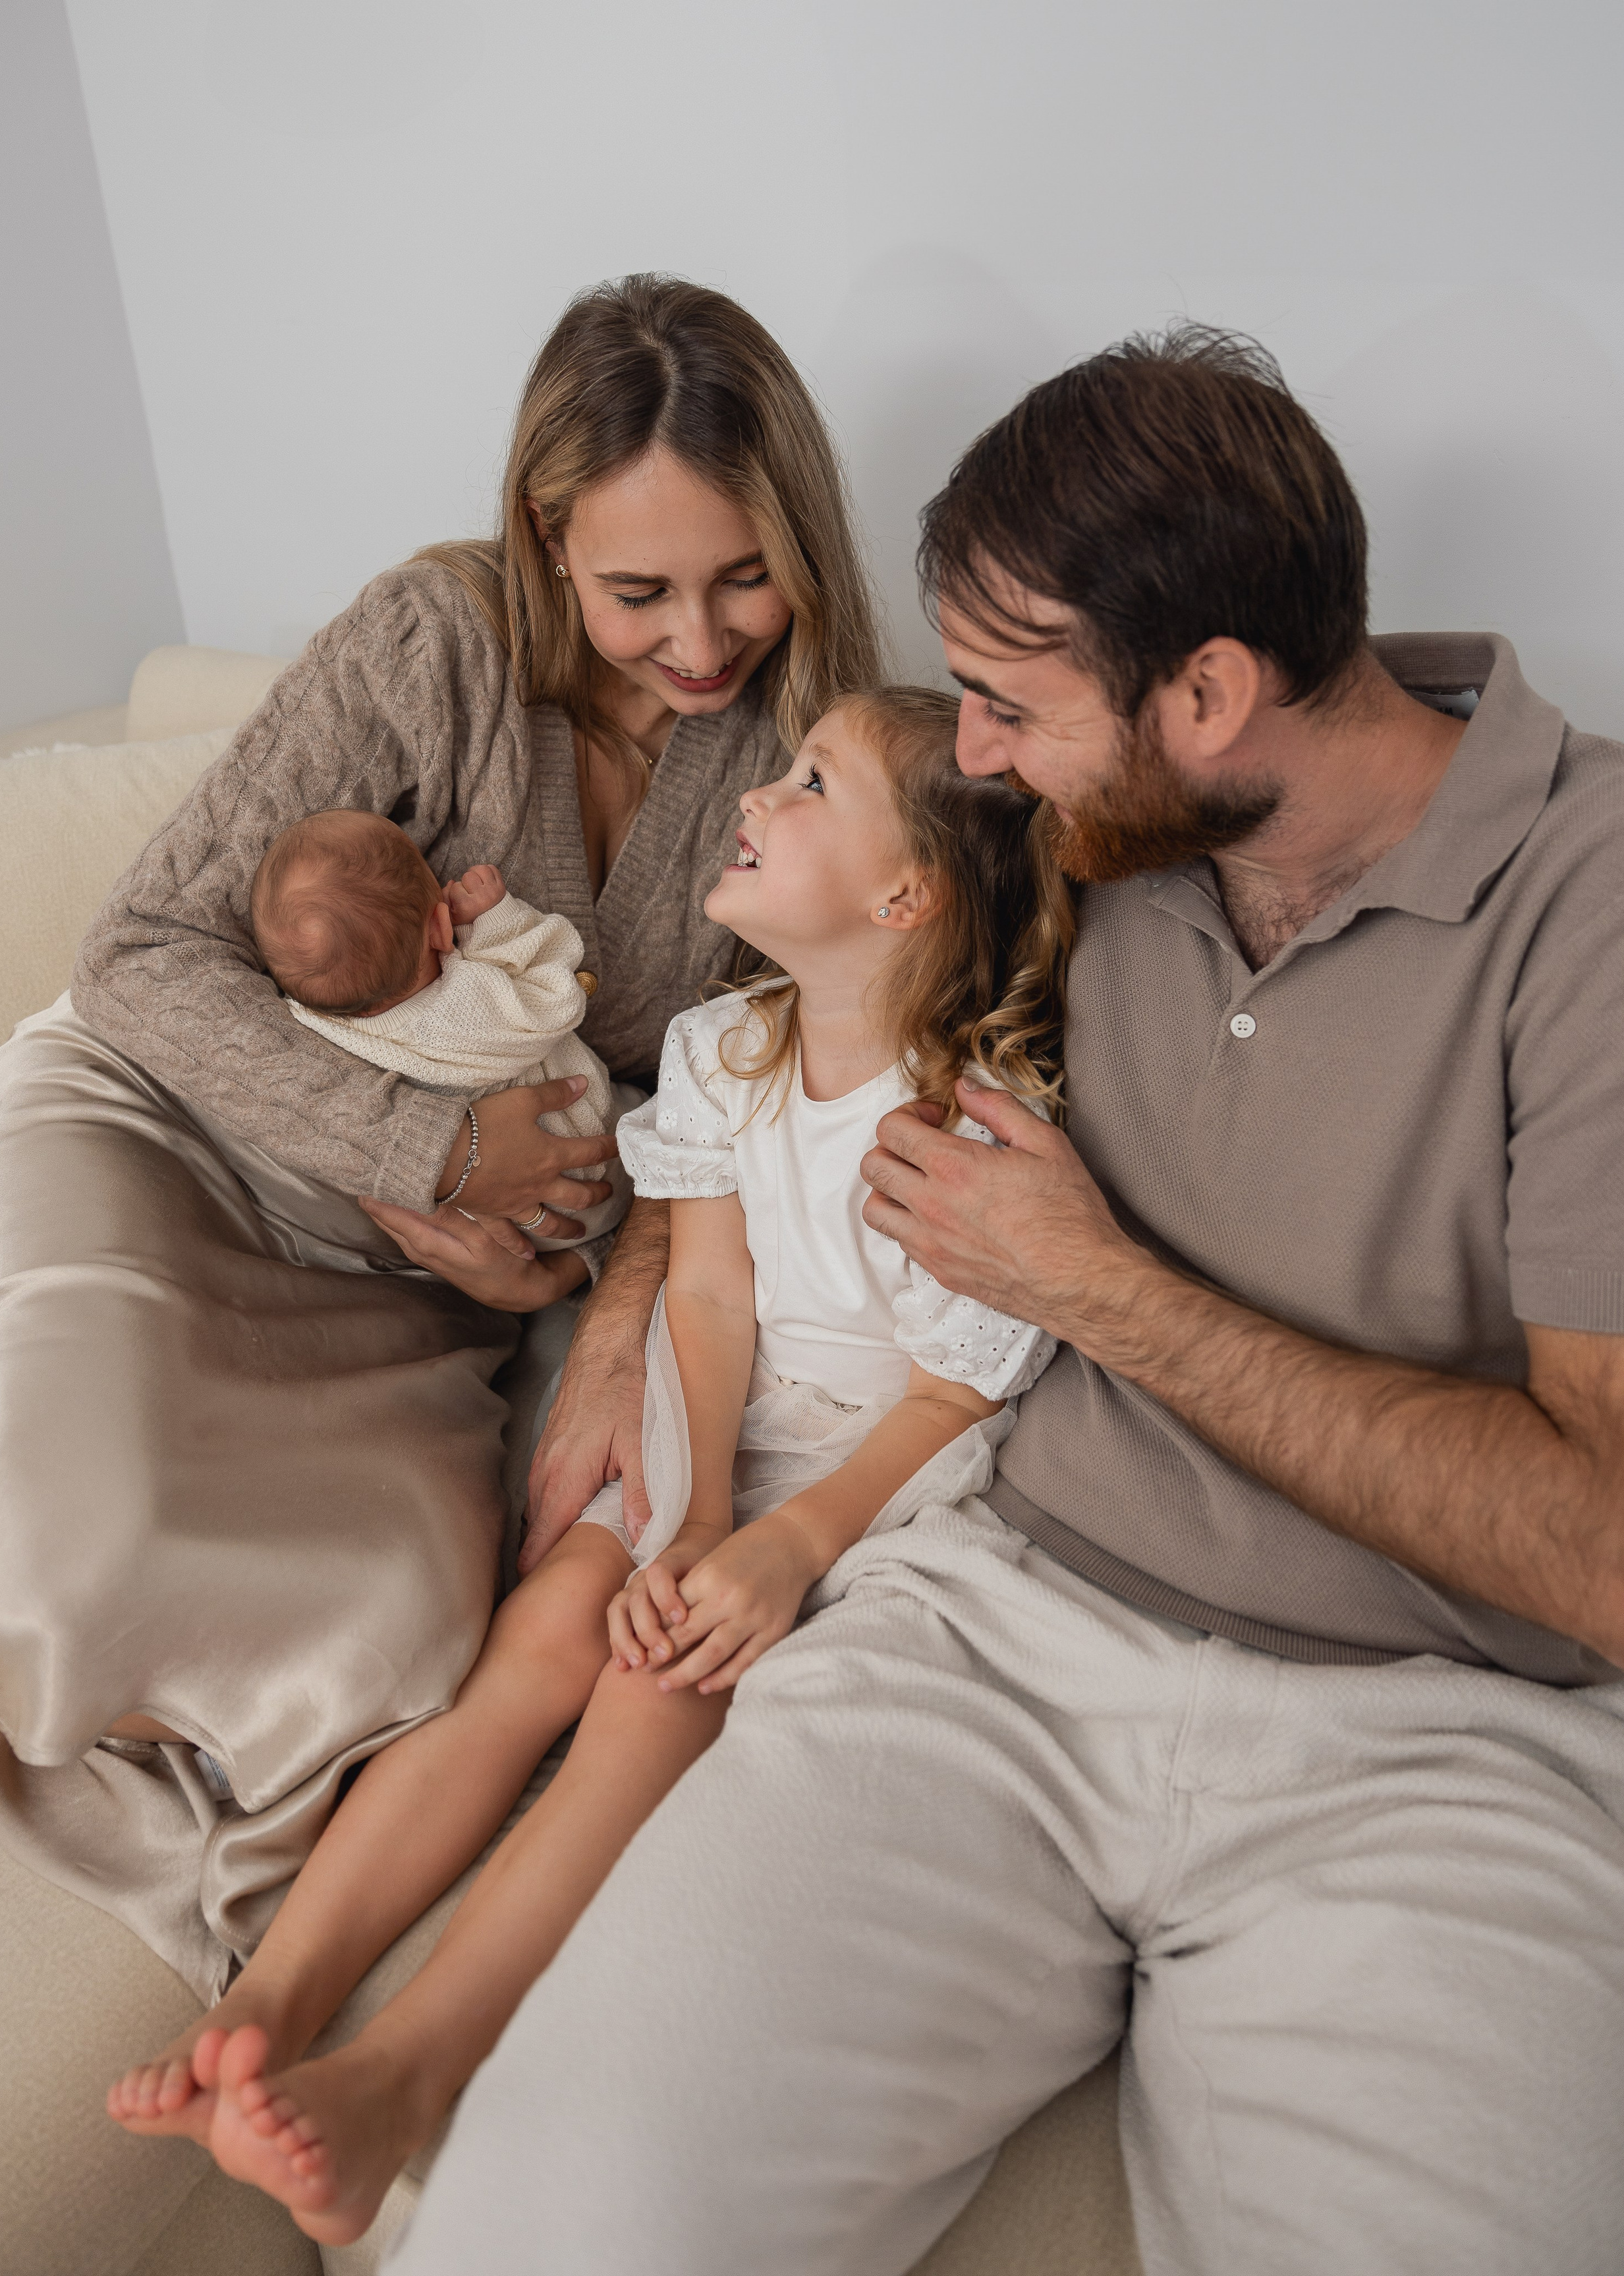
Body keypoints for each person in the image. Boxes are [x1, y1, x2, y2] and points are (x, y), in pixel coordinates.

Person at [391, 329, 1624, 2276]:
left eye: (1004, 704)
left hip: (1450, 1749)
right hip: (981, 1630)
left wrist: (1111, 1296)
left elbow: (1607, 1544)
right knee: (543, 2225)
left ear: (1211, 692)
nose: (967, 754)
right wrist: (640, 1274)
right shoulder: (1090, 832)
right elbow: (768, 1034)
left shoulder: (1596, 903)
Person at [0, 272, 880, 2275]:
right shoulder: (431, 641)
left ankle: (286, 2001)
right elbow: (142, 956)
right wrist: (416, 1152)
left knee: (390, 1634)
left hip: (429, 1289)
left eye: (744, 581)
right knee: (69, 1535)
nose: (700, 638)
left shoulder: (814, 764)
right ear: (550, 535)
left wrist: (610, 1301)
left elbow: (716, 1106)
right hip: (171, 1137)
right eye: (642, 591)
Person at [105, 687, 1067, 2248]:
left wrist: (778, 1543)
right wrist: (681, 1515)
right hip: (722, 1426)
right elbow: (702, 1296)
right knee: (551, 1621)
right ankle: (270, 1999)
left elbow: (954, 1388)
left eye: (808, 783)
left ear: (905, 895)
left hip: (878, 1487)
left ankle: (410, 2071)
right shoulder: (726, 1051)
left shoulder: (965, 1121)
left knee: (649, 1684)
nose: (756, 796)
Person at [252, 812, 629, 1266]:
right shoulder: (473, 1003)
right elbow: (556, 999)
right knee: (648, 1105)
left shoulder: (315, 1025)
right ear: (441, 927)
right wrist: (497, 918)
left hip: (481, 1231)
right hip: (590, 1174)